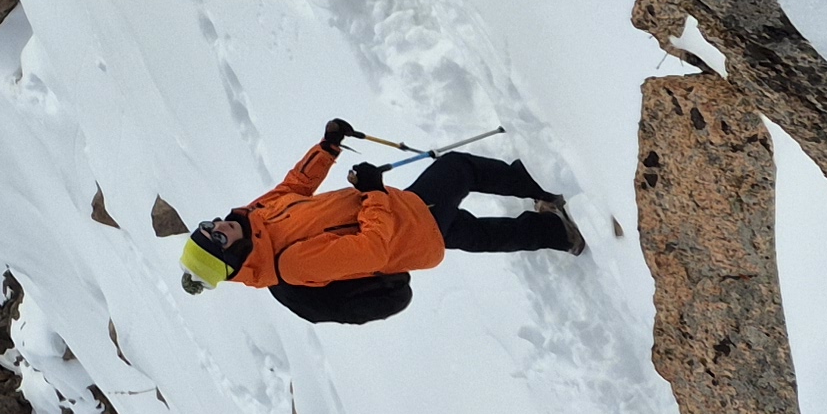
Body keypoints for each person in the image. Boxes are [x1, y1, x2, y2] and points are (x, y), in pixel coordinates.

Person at [176, 119, 580, 323]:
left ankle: (558, 233)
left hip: (404, 220)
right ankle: (545, 185)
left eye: (208, 227)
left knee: (467, 231)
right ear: (231, 261)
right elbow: (372, 250)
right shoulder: (291, 266)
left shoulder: (256, 218)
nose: (218, 227)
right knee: (459, 169)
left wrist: (328, 146)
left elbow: (295, 186)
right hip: (403, 228)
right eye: (217, 240)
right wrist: (371, 192)